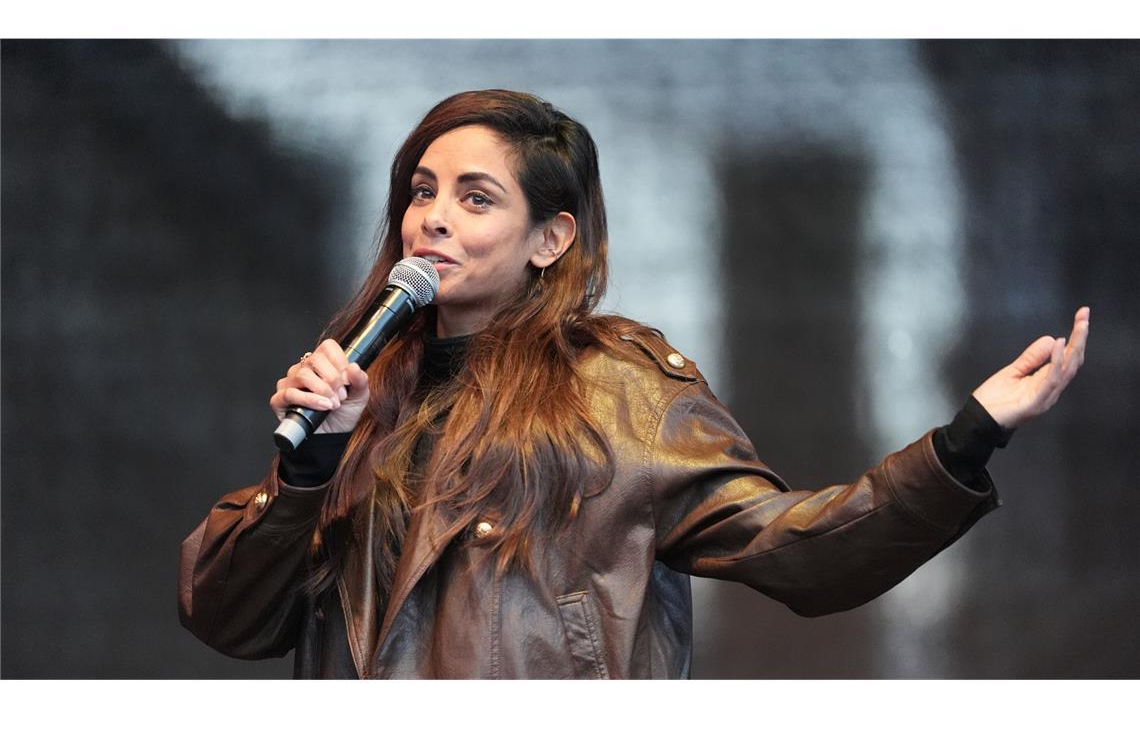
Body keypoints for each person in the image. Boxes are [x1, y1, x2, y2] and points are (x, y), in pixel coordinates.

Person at [178, 89, 1089, 678]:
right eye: (421, 191)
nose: (432, 221)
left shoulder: (616, 391)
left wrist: (969, 437)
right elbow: (226, 617)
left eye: (475, 198)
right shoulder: (362, 395)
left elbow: (801, 553)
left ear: (551, 239)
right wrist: (305, 474)